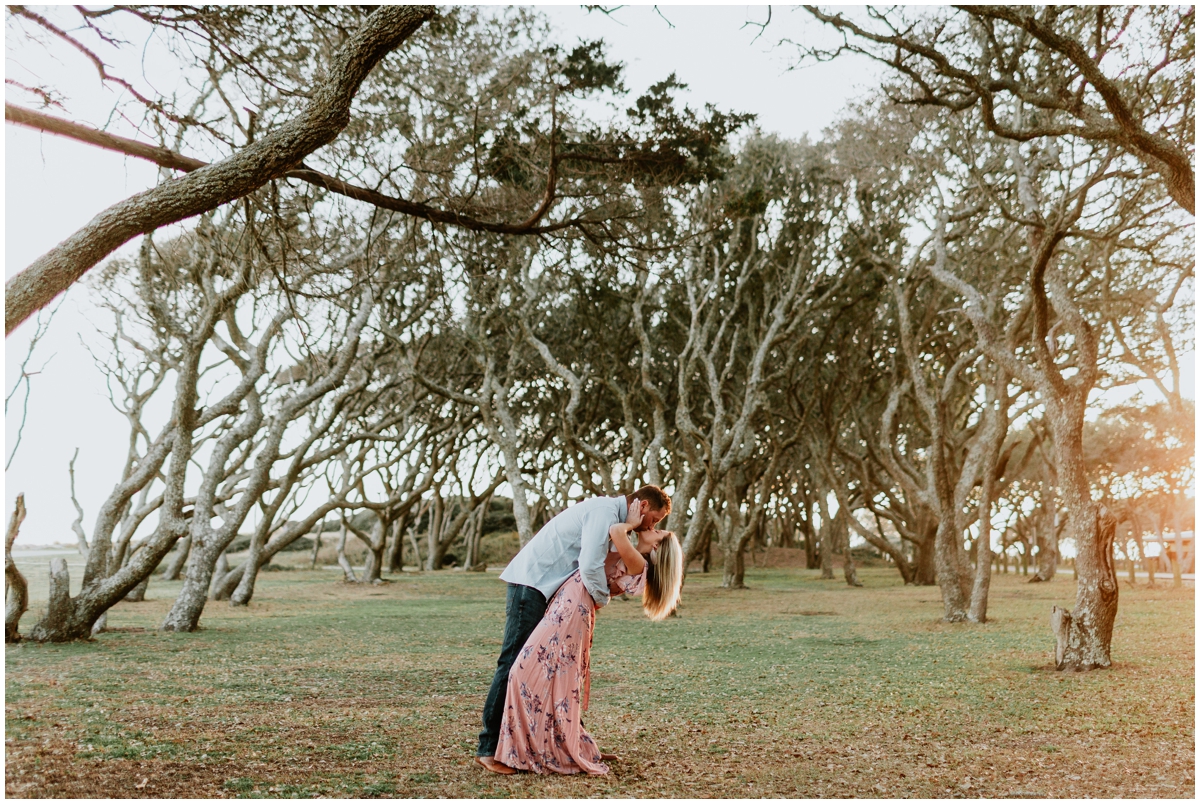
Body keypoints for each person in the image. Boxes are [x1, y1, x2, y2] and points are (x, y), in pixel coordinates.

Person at [475, 485, 671, 775]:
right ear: (642, 506)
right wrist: (600, 599)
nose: (653, 526)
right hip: (532, 583)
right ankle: (488, 749)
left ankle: (571, 744)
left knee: (562, 673)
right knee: (513, 663)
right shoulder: (604, 512)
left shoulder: (617, 523)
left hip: (550, 593)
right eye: (654, 519)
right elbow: (590, 566)